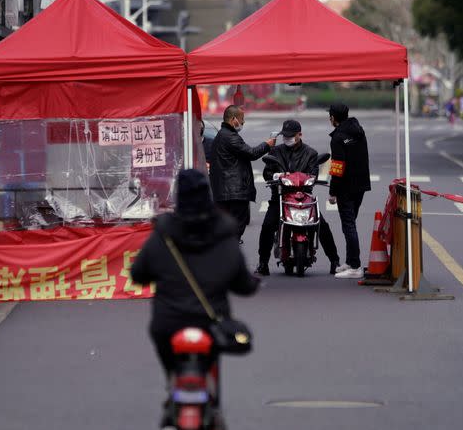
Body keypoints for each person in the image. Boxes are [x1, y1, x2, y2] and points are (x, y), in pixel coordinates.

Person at [130, 170, 260, 425]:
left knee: (165, 351)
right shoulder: (225, 235)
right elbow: (243, 284)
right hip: (211, 323)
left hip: (168, 323)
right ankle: (213, 405)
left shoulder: (163, 235)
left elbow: (138, 274)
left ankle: (173, 384)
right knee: (214, 357)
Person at [256, 119, 341, 276]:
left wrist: (308, 179)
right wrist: (275, 175)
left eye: (290, 136)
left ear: (299, 135)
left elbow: (313, 173)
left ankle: (334, 261)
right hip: (280, 198)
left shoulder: (311, 154)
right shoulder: (275, 152)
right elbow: (267, 172)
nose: (287, 138)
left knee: (322, 225)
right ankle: (262, 263)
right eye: (285, 136)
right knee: (268, 226)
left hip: (304, 198)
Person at [209, 105, 276, 242]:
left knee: (230, 226)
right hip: (234, 192)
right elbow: (251, 153)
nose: (243, 122)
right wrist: (267, 144)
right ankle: (231, 252)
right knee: (237, 225)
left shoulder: (222, 135)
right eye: (242, 119)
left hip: (225, 191)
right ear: (234, 119)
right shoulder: (230, 137)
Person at [327, 103, 371, 279]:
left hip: (345, 187)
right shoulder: (358, 131)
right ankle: (350, 260)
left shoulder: (338, 137)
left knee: (349, 225)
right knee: (350, 223)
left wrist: (332, 192)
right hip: (360, 185)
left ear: (332, 118)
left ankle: (355, 266)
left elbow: (337, 166)